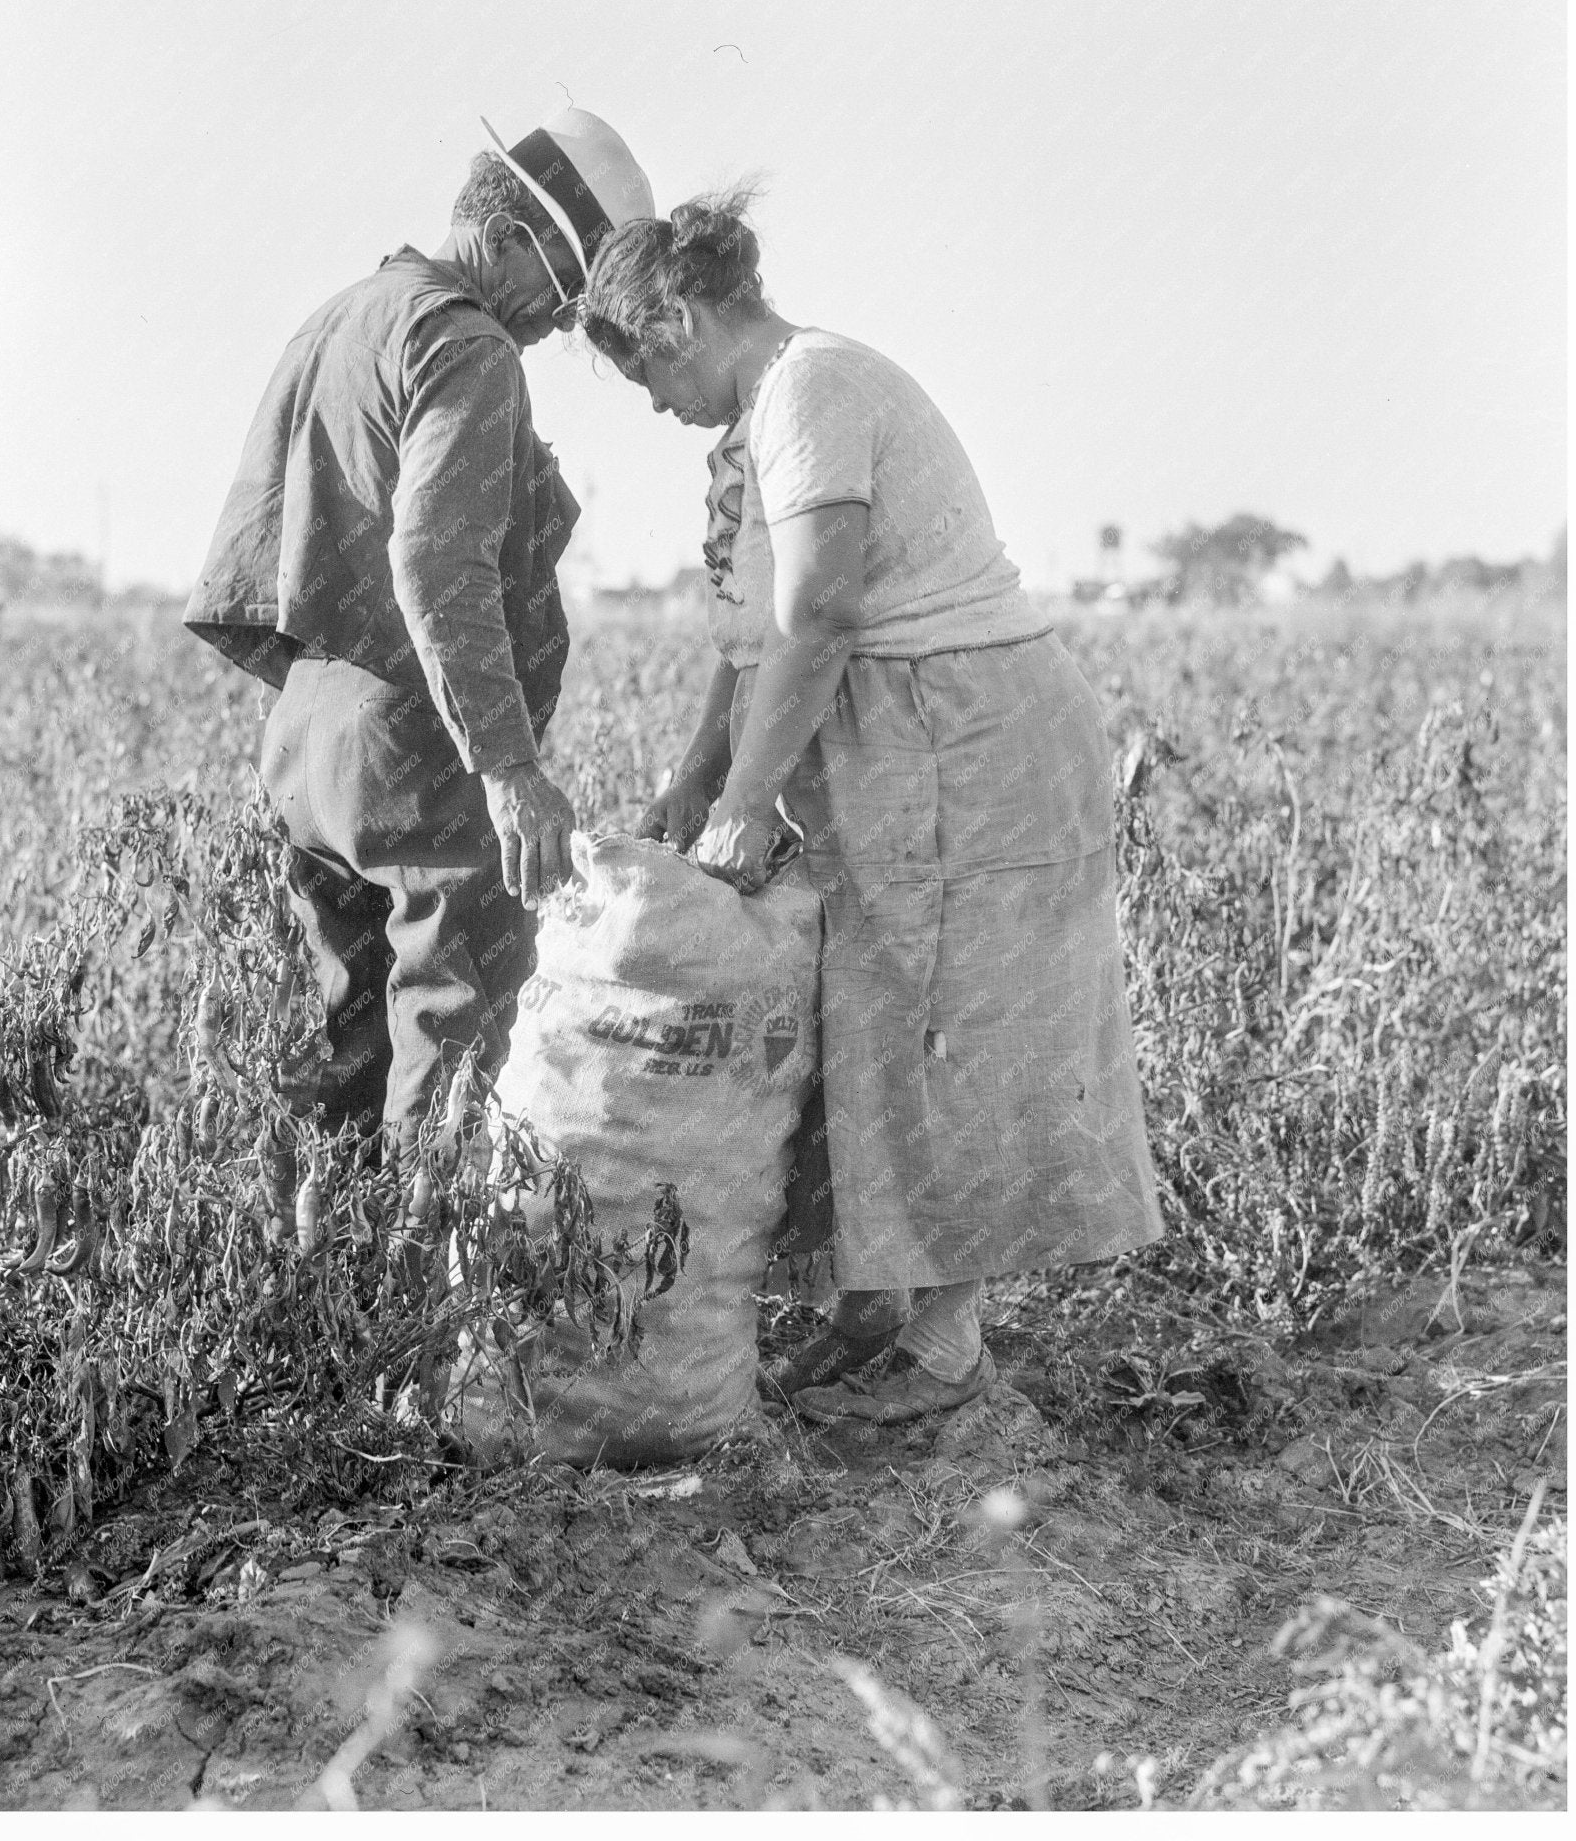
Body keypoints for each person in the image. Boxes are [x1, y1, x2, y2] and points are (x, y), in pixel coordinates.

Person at [578, 191, 1164, 1422]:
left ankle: (941, 1348)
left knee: (941, 1028)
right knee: (871, 1023)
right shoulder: (762, 417)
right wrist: (699, 772)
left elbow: (824, 613)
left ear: (681, 316)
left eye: (645, 372)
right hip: (901, 739)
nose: (652, 403)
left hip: (964, 737)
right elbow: (753, 633)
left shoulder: (811, 389)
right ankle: (878, 1303)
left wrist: (747, 798)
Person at [185, 108, 654, 1164]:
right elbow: (438, 561)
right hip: (418, 752)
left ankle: (327, 1296)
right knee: (453, 1034)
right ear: (518, 240)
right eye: (565, 290)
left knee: (345, 1040)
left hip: (310, 744)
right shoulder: (471, 343)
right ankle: (420, 1312)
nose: (558, 320)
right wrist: (510, 767)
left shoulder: (349, 314)